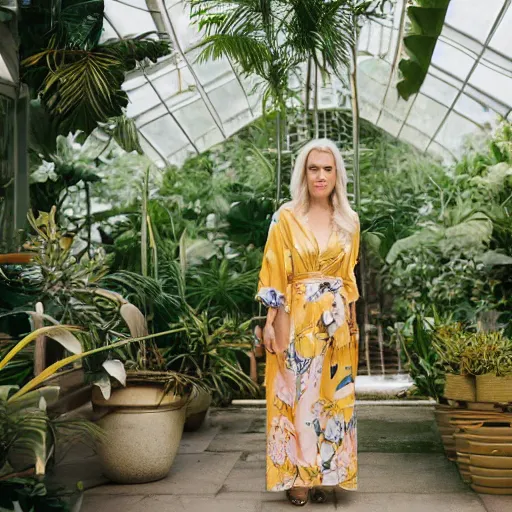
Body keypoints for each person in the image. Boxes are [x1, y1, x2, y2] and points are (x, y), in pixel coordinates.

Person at [255, 138, 361, 506]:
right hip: (295, 318)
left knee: (332, 399)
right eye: (313, 168)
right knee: (296, 396)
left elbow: (349, 279)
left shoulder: (350, 221)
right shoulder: (286, 218)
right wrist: (269, 323)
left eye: (327, 169)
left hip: (335, 323)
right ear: (304, 173)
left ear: (337, 175)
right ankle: (298, 475)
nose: (320, 176)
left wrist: (350, 323)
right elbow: (273, 272)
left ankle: (327, 473)